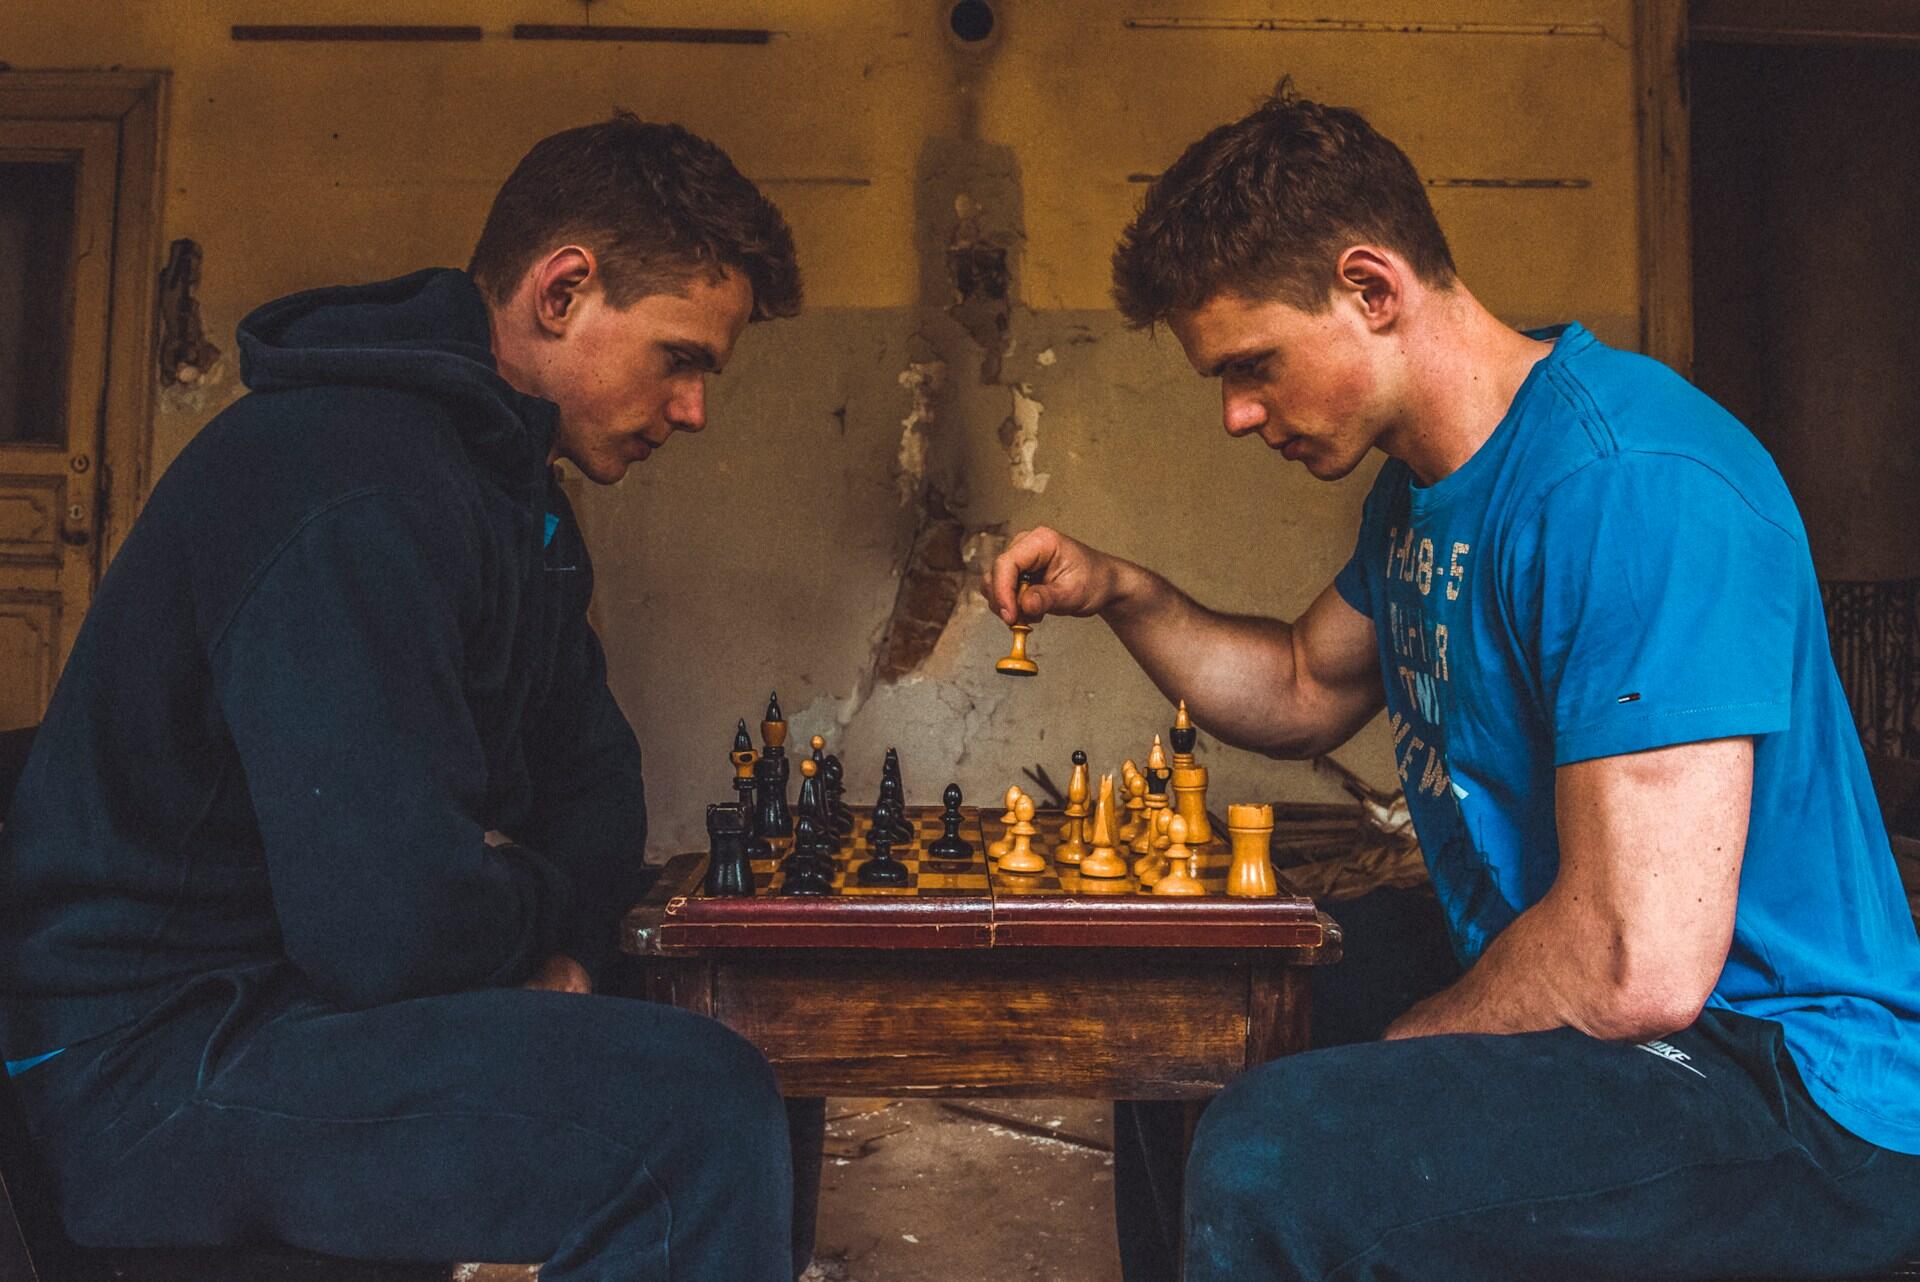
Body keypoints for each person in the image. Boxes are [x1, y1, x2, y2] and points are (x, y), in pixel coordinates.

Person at [986, 86, 1920, 1281]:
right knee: (1182, 1023)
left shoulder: (1628, 486)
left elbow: (1638, 963)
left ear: (1374, 290)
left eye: (1255, 365)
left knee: (1279, 1150)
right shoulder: (1426, 489)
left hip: (1783, 1081)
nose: (1237, 414)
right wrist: (1121, 589)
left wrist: (1394, 1054)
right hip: (1615, 1000)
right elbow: (1298, 684)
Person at [1, 113, 809, 1282]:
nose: (693, 409)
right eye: (681, 356)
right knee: (691, 1116)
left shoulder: (508, 494)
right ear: (563, 289)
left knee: (710, 1056)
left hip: (293, 1018)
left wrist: (542, 928)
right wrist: (501, 887)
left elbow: (595, 794)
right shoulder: (346, 480)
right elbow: (388, 923)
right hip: (152, 1069)